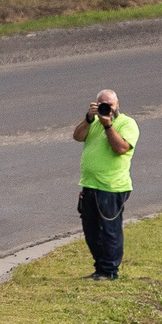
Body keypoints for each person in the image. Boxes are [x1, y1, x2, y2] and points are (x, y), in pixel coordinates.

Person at [70, 89, 138, 279]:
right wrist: (88, 119)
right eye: (102, 104)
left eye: (109, 104)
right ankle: (100, 268)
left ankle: (109, 271)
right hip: (90, 185)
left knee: (110, 231)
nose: (106, 108)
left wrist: (108, 126)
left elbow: (121, 148)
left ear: (117, 104)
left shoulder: (127, 123)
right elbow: (77, 136)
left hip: (112, 187)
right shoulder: (93, 122)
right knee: (91, 231)